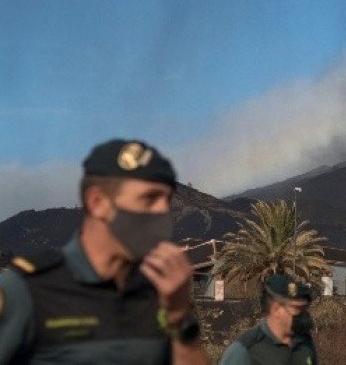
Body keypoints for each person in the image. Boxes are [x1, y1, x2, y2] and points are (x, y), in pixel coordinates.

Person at [0, 139, 208, 364]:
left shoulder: (160, 291)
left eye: (166, 201)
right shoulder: (27, 290)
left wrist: (180, 318)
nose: (163, 211)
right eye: (149, 198)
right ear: (97, 202)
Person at [219, 274, 318, 365]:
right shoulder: (245, 350)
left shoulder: (305, 344)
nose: (303, 315)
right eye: (297, 309)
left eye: (304, 308)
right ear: (276, 310)